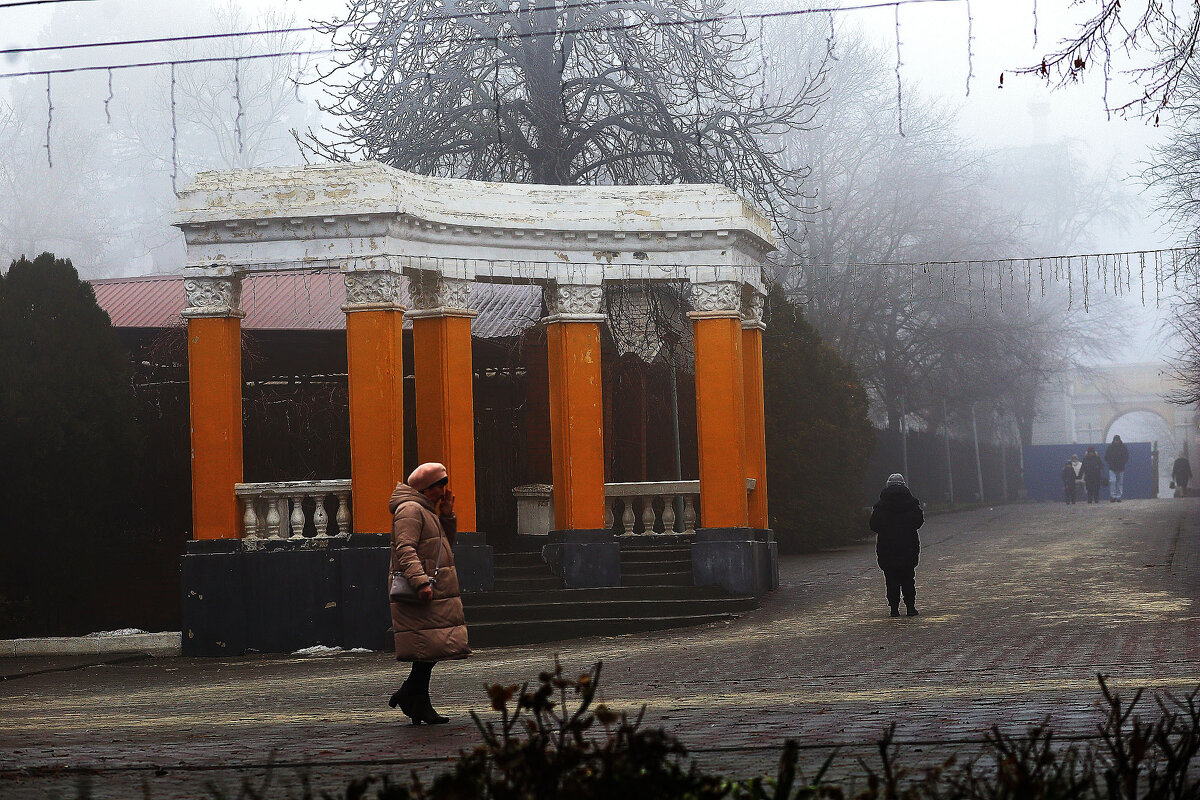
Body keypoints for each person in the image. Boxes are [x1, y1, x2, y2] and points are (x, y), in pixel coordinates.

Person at [387, 462, 471, 725]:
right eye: (439, 485)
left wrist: (446, 516)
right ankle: (413, 697)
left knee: (430, 650)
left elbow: (440, 548)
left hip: (433, 591)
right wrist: (420, 582)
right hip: (420, 591)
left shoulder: (426, 511)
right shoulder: (410, 510)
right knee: (428, 649)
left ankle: (416, 699)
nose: (443, 491)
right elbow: (405, 548)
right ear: (426, 487)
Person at [869, 473, 923, 617]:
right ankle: (910, 607)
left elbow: (873, 525)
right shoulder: (912, 504)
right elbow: (918, 522)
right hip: (908, 545)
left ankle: (894, 608)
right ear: (904, 485)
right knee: (908, 577)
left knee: (891, 578)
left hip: (887, 546)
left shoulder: (880, 505)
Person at [1104, 435, 1129, 503]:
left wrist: (1123, 462)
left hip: (1120, 468)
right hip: (1112, 468)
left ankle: (1118, 497)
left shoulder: (1123, 447)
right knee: (1113, 481)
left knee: (1119, 483)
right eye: (1115, 440)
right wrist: (1110, 463)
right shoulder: (1110, 447)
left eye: (1117, 440)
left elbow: (1126, 457)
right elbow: (1106, 457)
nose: (1116, 442)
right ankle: (1113, 496)